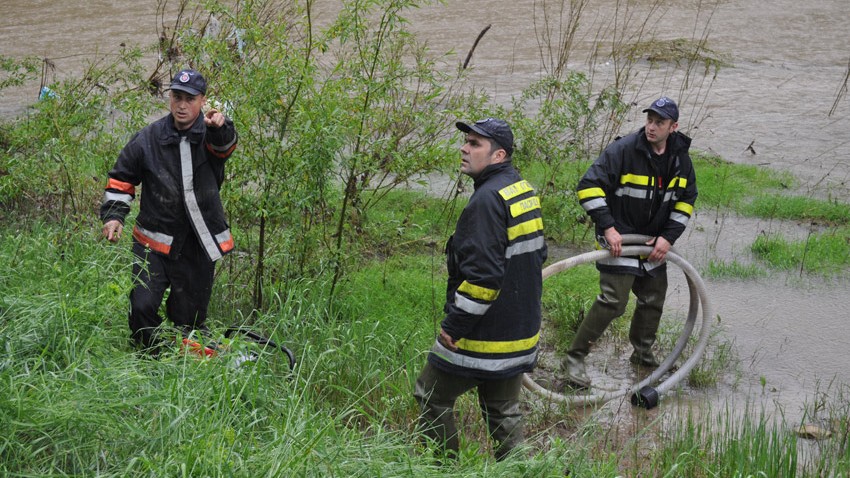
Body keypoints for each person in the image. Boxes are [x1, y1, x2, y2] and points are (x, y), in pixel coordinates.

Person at [413, 118, 547, 461]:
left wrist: (453, 327)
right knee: (502, 409)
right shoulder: (521, 188)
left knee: (430, 393)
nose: (464, 148)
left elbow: (484, 280)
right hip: (519, 332)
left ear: (498, 154)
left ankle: (442, 468)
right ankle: (518, 470)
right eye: (466, 141)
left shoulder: (486, 202)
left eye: (474, 144)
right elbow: (536, 256)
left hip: (482, 336)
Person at [562, 96, 697, 389]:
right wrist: (608, 227)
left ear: (673, 127)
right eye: (649, 120)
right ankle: (574, 358)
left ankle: (643, 355)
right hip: (620, 237)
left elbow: (686, 201)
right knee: (614, 300)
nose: (651, 126)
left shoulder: (680, 159)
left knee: (653, 299)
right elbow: (588, 187)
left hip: (652, 242)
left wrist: (667, 237)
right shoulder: (623, 150)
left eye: (659, 122)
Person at [100, 68, 238, 353]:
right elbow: (121, 179)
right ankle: (148, 361)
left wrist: (220, 125)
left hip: (199, 244)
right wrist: (114, 216)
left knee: (188, 319)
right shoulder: (147, 139)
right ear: (170, 98)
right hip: (153, 243)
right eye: (176, 97)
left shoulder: (211, 134)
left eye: (189, 98)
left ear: (202, 101)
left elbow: (225, 145)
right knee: (142, 306)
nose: (182, 105)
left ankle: (181, 364)